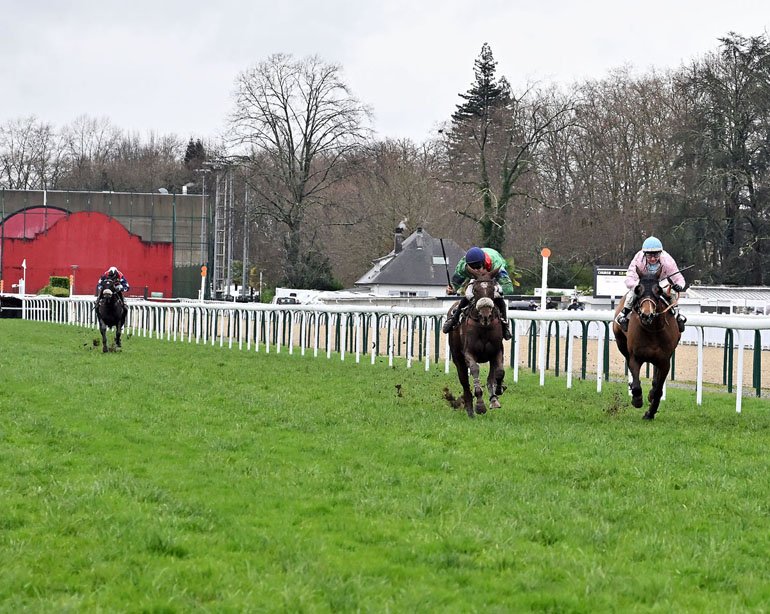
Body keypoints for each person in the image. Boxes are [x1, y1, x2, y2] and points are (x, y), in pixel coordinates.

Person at [614, 236, 687, 333]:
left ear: (660, 253)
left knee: (671, 292)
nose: (652, 259)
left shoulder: (667, 261)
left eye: (656, 255)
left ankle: (678, 315)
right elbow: (629, 278)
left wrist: (679, 286)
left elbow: (678, 278)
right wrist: (637, 286)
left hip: (659, 283)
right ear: (644, 254)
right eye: (649, 256)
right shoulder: (638, 259)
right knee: (632, 293)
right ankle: (623, 314)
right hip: (642, 283)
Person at [442, 246, 514, 340]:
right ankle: (454, 319)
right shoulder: (462, 266)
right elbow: (455, 284)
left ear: (484, 263)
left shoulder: (496, 265)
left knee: (499, 299)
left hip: (492, 277)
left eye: (478, 267)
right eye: (472, 268)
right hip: (476, 280)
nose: (476, 270)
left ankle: (505, 327)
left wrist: (494, 290)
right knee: (468, 294)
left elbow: (508, 288)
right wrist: (452, 289)